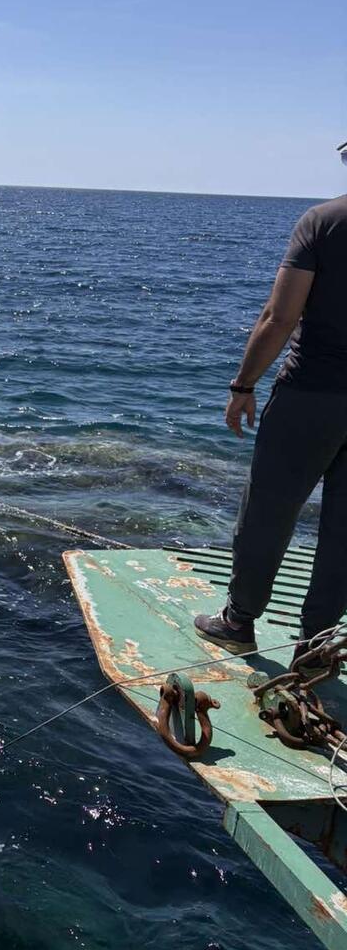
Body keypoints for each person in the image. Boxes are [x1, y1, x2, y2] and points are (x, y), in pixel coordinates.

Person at [194, 191, 347, 667]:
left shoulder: (323, 221)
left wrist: (243, 385)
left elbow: (280, 317)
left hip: (312, 395)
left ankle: (239, 623)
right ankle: (317, 647)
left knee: (269, 511)